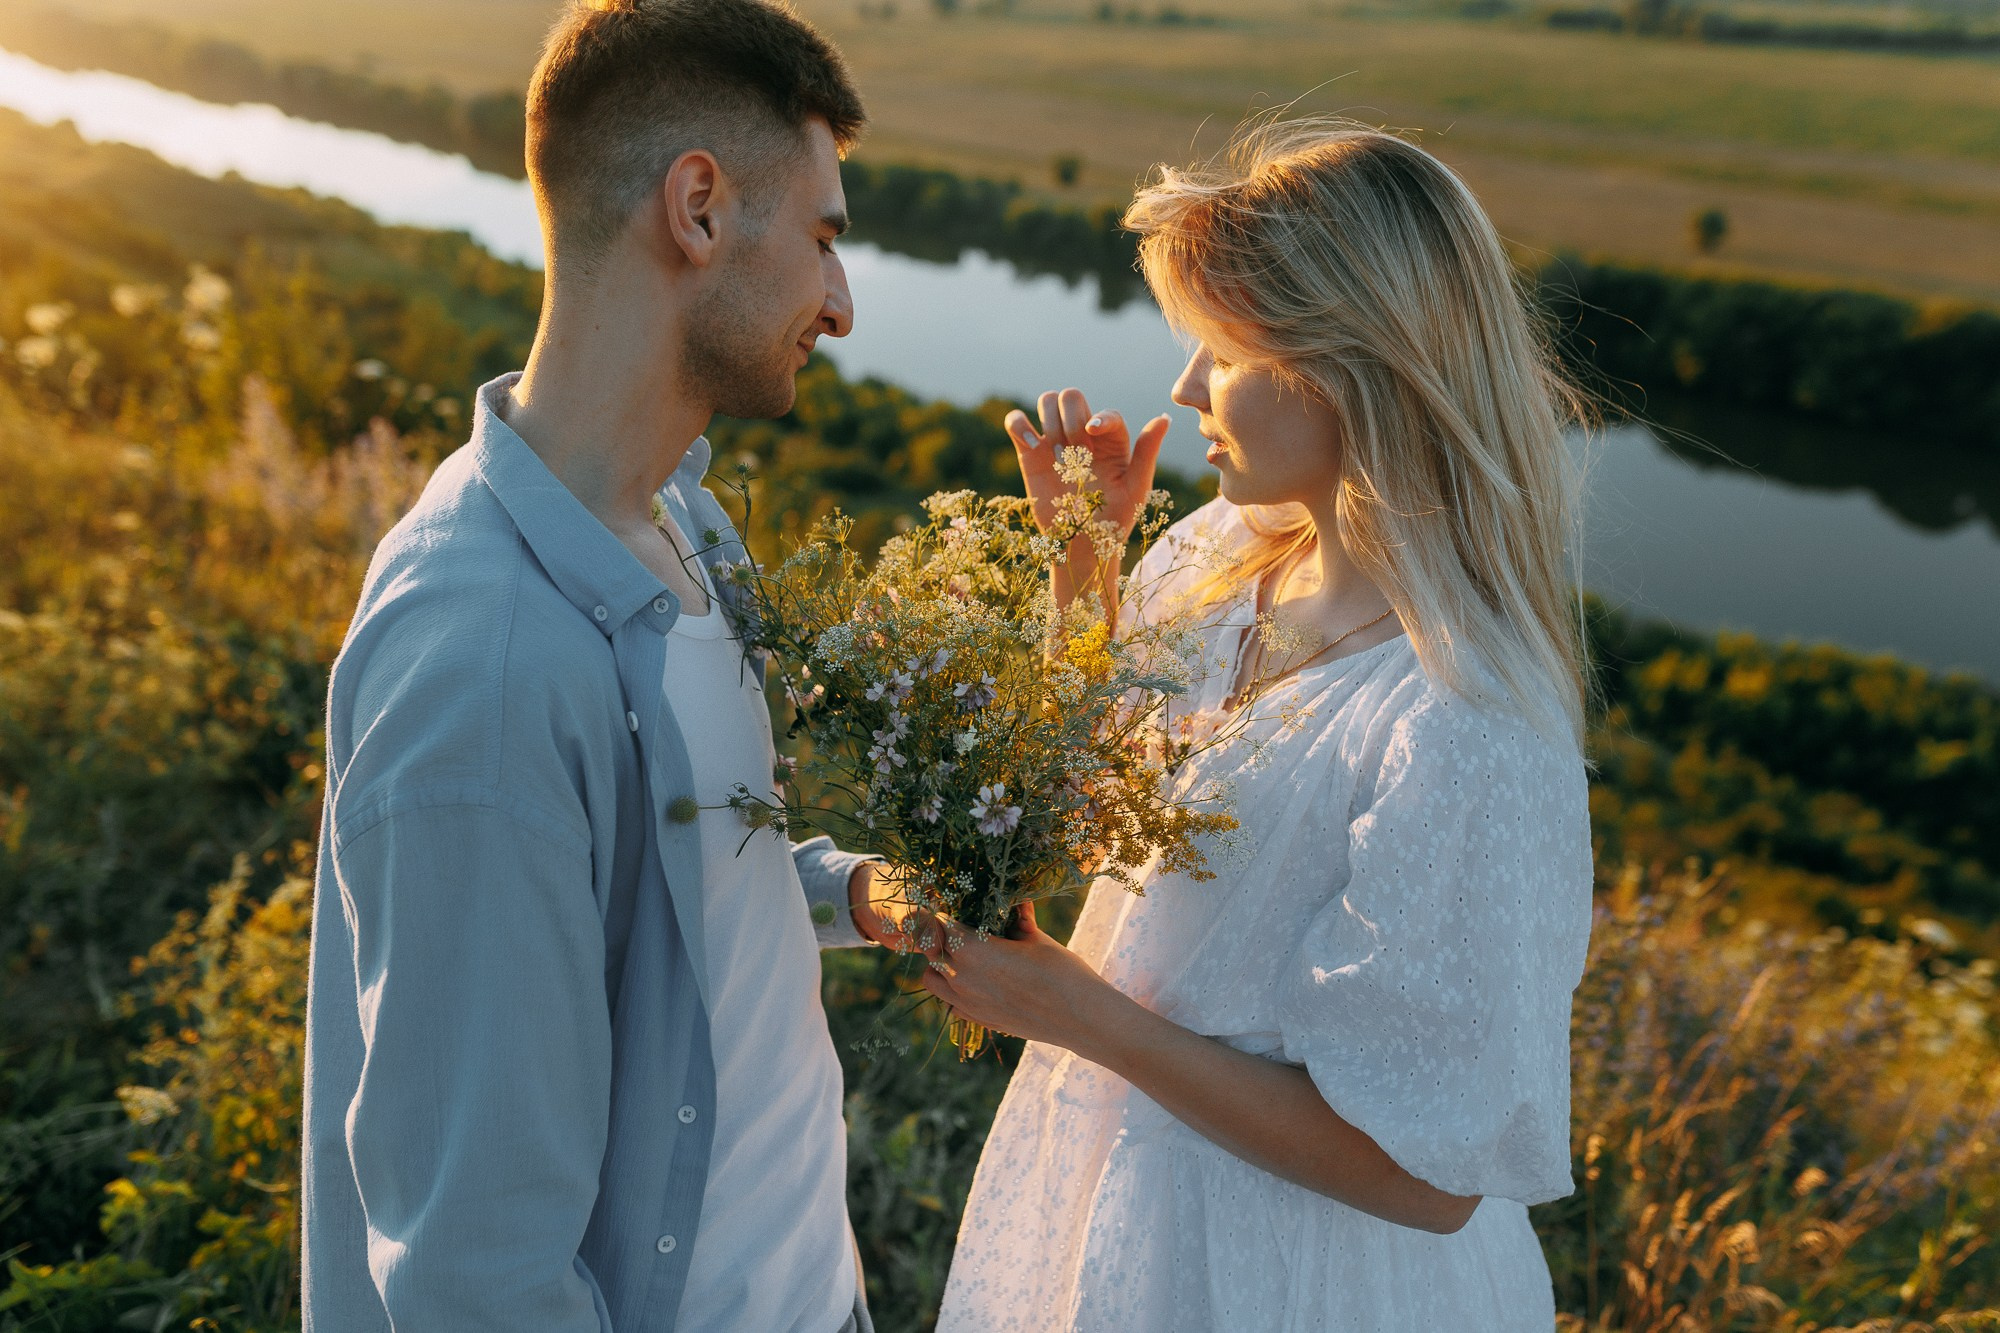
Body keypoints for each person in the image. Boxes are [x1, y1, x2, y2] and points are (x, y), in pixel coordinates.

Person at [923, 120, 1595, 1331]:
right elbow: (1103, 840)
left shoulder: (1466, 718)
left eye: (1219, 352)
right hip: (1116, 1206)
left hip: (1305, 1279)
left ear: (1350, 368)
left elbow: (1425, 1178)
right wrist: (1086, 572)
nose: (1183, 391)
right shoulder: (1216, 562)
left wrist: (1079, 1013)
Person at [299, 3, 908, 1330]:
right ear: (698, 206)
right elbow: (480, 1280)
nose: (842, 304)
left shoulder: (687, 524)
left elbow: (673, 889)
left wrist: (856, 892)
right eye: (821, 239)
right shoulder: (487, 663)